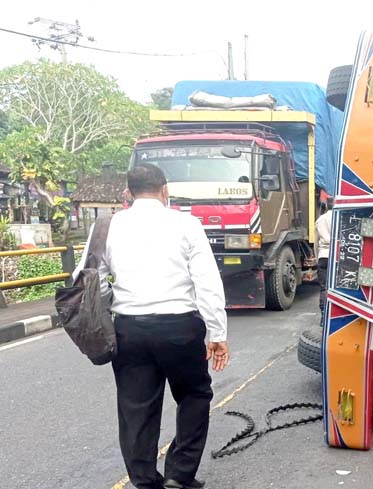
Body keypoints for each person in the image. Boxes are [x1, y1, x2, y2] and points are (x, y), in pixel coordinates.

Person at [75, 163, 228, 489]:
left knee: (136, 408)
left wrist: (112, 305)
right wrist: (217, 333)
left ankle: (145, 481)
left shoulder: (106, 226)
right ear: (165, 190)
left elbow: (91, 281)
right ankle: (179, 473)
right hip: (180, 328)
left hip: (129, 329)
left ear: (127, 193)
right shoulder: (186, 223)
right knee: (194, 395)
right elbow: (207, 282)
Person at [315, 200, 333, 323]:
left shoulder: (321, 219)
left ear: (326, 206)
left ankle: (323, 316)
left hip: (324, 256)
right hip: (338, 257)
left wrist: (318, 258)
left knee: (324, 287)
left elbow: (316, 243)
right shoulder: (342, 218)